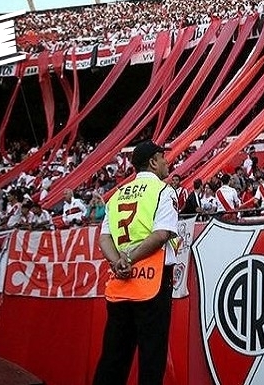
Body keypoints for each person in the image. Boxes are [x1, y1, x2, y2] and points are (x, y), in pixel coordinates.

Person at [93, 140, 179, 385]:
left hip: (120, 284)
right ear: (153, 162)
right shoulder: (164, 190)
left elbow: (104, 237)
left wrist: (118, 261)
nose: (166, 162)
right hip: (152, 282)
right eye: (163, 157)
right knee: (151, 357)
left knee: (113, 357)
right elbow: (161, 234)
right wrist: (130, 258)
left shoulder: (117, 194)